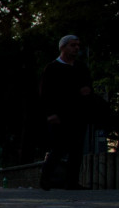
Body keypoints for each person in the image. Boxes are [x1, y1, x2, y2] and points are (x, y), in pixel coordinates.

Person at [39, 35, 92, 190]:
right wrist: (50, 113)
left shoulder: (81, 67)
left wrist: (87, 92)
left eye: (77, 45)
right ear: (63, 47)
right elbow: (45, 93)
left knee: (77, 149)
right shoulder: (52, 68)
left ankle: (72, 181)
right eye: (72, 45)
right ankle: (46, 178)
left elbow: (87, 86)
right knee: (58, 148)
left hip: (77, 114)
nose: (76, 48)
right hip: (59, 116)